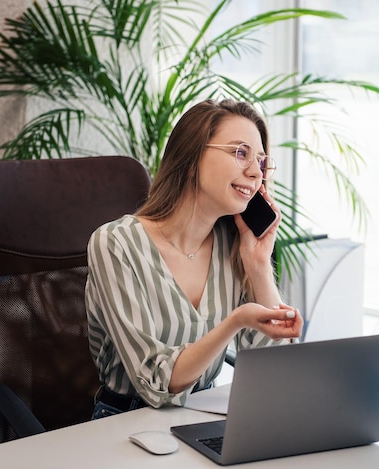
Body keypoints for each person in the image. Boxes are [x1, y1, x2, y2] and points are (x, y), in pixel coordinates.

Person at [86, 99, 303, 419]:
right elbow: (156, 383)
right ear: (192, 157)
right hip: (124, 422)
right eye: (241, 152)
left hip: (202, 416)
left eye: (261, 160)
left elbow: (275, 372)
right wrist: (236, 320)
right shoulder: (116, 244)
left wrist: (258, 266)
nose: (256, 172)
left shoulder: (235, 246)